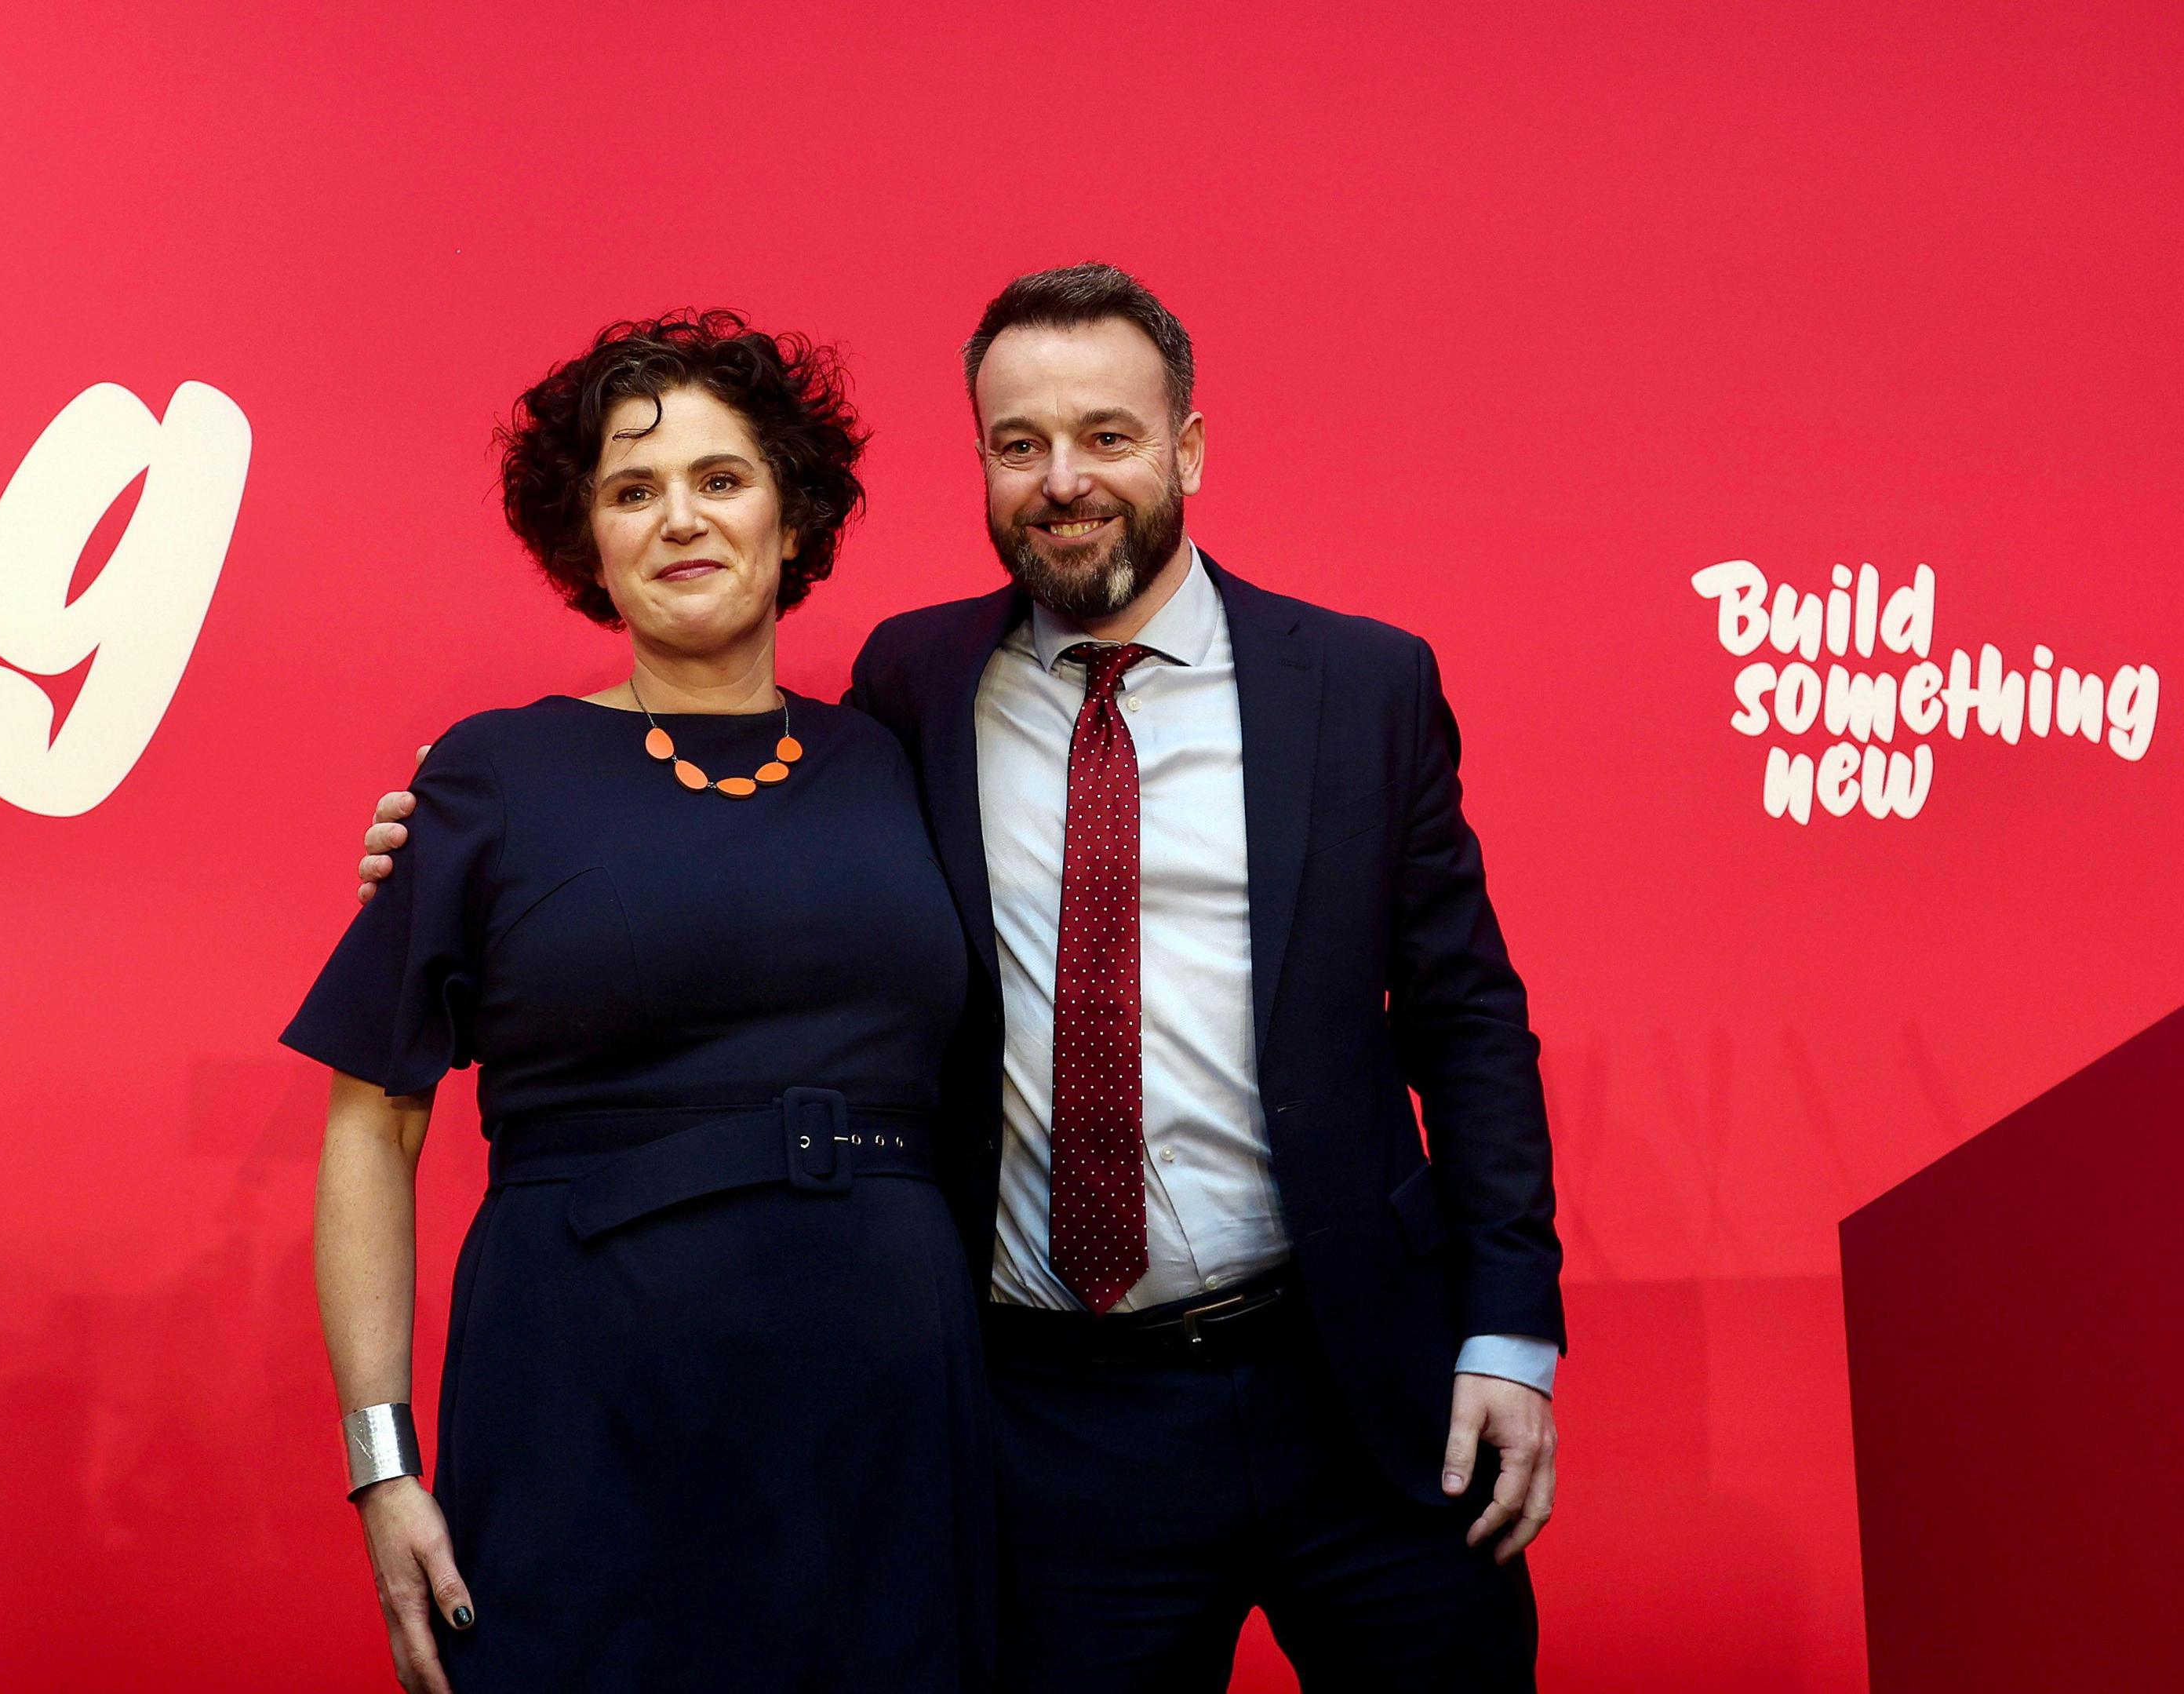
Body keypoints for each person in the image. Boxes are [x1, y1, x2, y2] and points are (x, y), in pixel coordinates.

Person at [361, 264, 1564, 1692]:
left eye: (1108, 436)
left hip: (1360, 1381)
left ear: (1187, 447)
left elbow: (1467, 1020)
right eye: (1019, 444)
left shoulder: (1361, 684)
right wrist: (449, 837)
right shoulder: (914, 690)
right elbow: (720, 832)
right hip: (1053, 1418)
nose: (1065, 480)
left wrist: (1510, 1328)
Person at [288, 311, 992, 1694]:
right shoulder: (491, 776)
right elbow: (372, 1127)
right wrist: (382, 1468)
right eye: (631, 488)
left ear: (794, 517)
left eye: (722, 479)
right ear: (588, 544)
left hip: (889, 1407)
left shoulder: (903, 756)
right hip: (583, 1401)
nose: (681, 519)